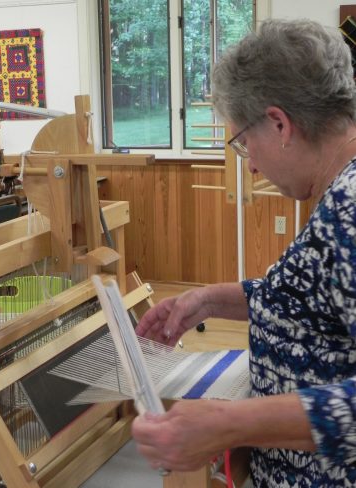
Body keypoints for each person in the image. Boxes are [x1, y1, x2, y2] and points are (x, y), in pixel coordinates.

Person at [132, 18, 356, 487]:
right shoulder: (339, 195)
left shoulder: (351, 209)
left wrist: (230, 423)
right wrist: (207, 301)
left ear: (279, 124)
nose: (250, 163)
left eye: (243, 142)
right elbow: (303, 299)